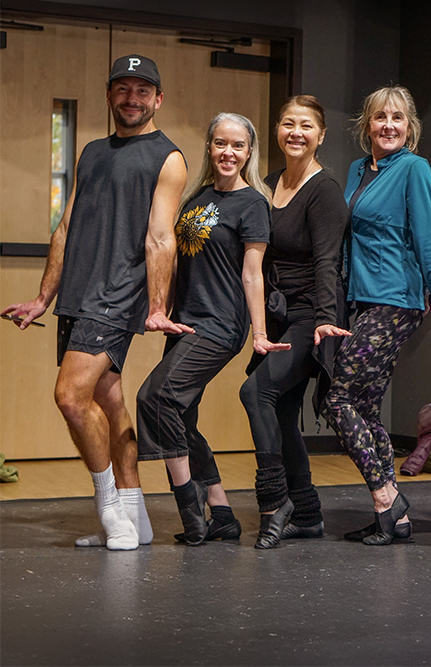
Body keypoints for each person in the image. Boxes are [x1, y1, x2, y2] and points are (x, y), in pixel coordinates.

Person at [2, 54, 189, 550]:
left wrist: (156, 306)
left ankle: (108, 508)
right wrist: (44, 297)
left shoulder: (167, 158)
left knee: (69, 397)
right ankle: (136, 513)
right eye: (123, 89)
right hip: (79, 295)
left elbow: (161, 238)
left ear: (158, 98)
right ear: (109, 95)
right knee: (108, 399)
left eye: (143, 90)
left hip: (117, 295)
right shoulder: (90, 152)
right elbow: (65, 228)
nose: (133, 99)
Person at [319, 85, 431, 546]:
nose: (388, 125)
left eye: (397, 118)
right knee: (366, 406)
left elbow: (427, 236)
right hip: (363, 300)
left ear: (409, 127)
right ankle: (397, 520)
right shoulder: (357, 170)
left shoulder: (413, 169)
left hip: (397, 300)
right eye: (379, 118)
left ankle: (386, 497)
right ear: (366, 125)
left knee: (339, 401)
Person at [136, 112, 289, 546]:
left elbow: (253, 274)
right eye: (221, 143)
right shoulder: (199, 197)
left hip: (220, 325)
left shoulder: (253, 204)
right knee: (180, 414)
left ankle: (191, 512)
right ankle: (221, 512)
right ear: (210, 146)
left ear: (248, 153)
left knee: (155, 396)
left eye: (238, 146)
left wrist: (259, 335)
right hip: (184, 322)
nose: (228, 152)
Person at [239, 96, 350, 549]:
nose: (296, 133)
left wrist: (325, 320)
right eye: (288, 124)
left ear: (321, 135)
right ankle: (307, 513)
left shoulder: (324, 191)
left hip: (312, 314)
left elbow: (327, 261)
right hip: (281, 314)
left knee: (256, 391)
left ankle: (275, 499)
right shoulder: (267, 184)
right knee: (282, 409)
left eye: (307, 126)